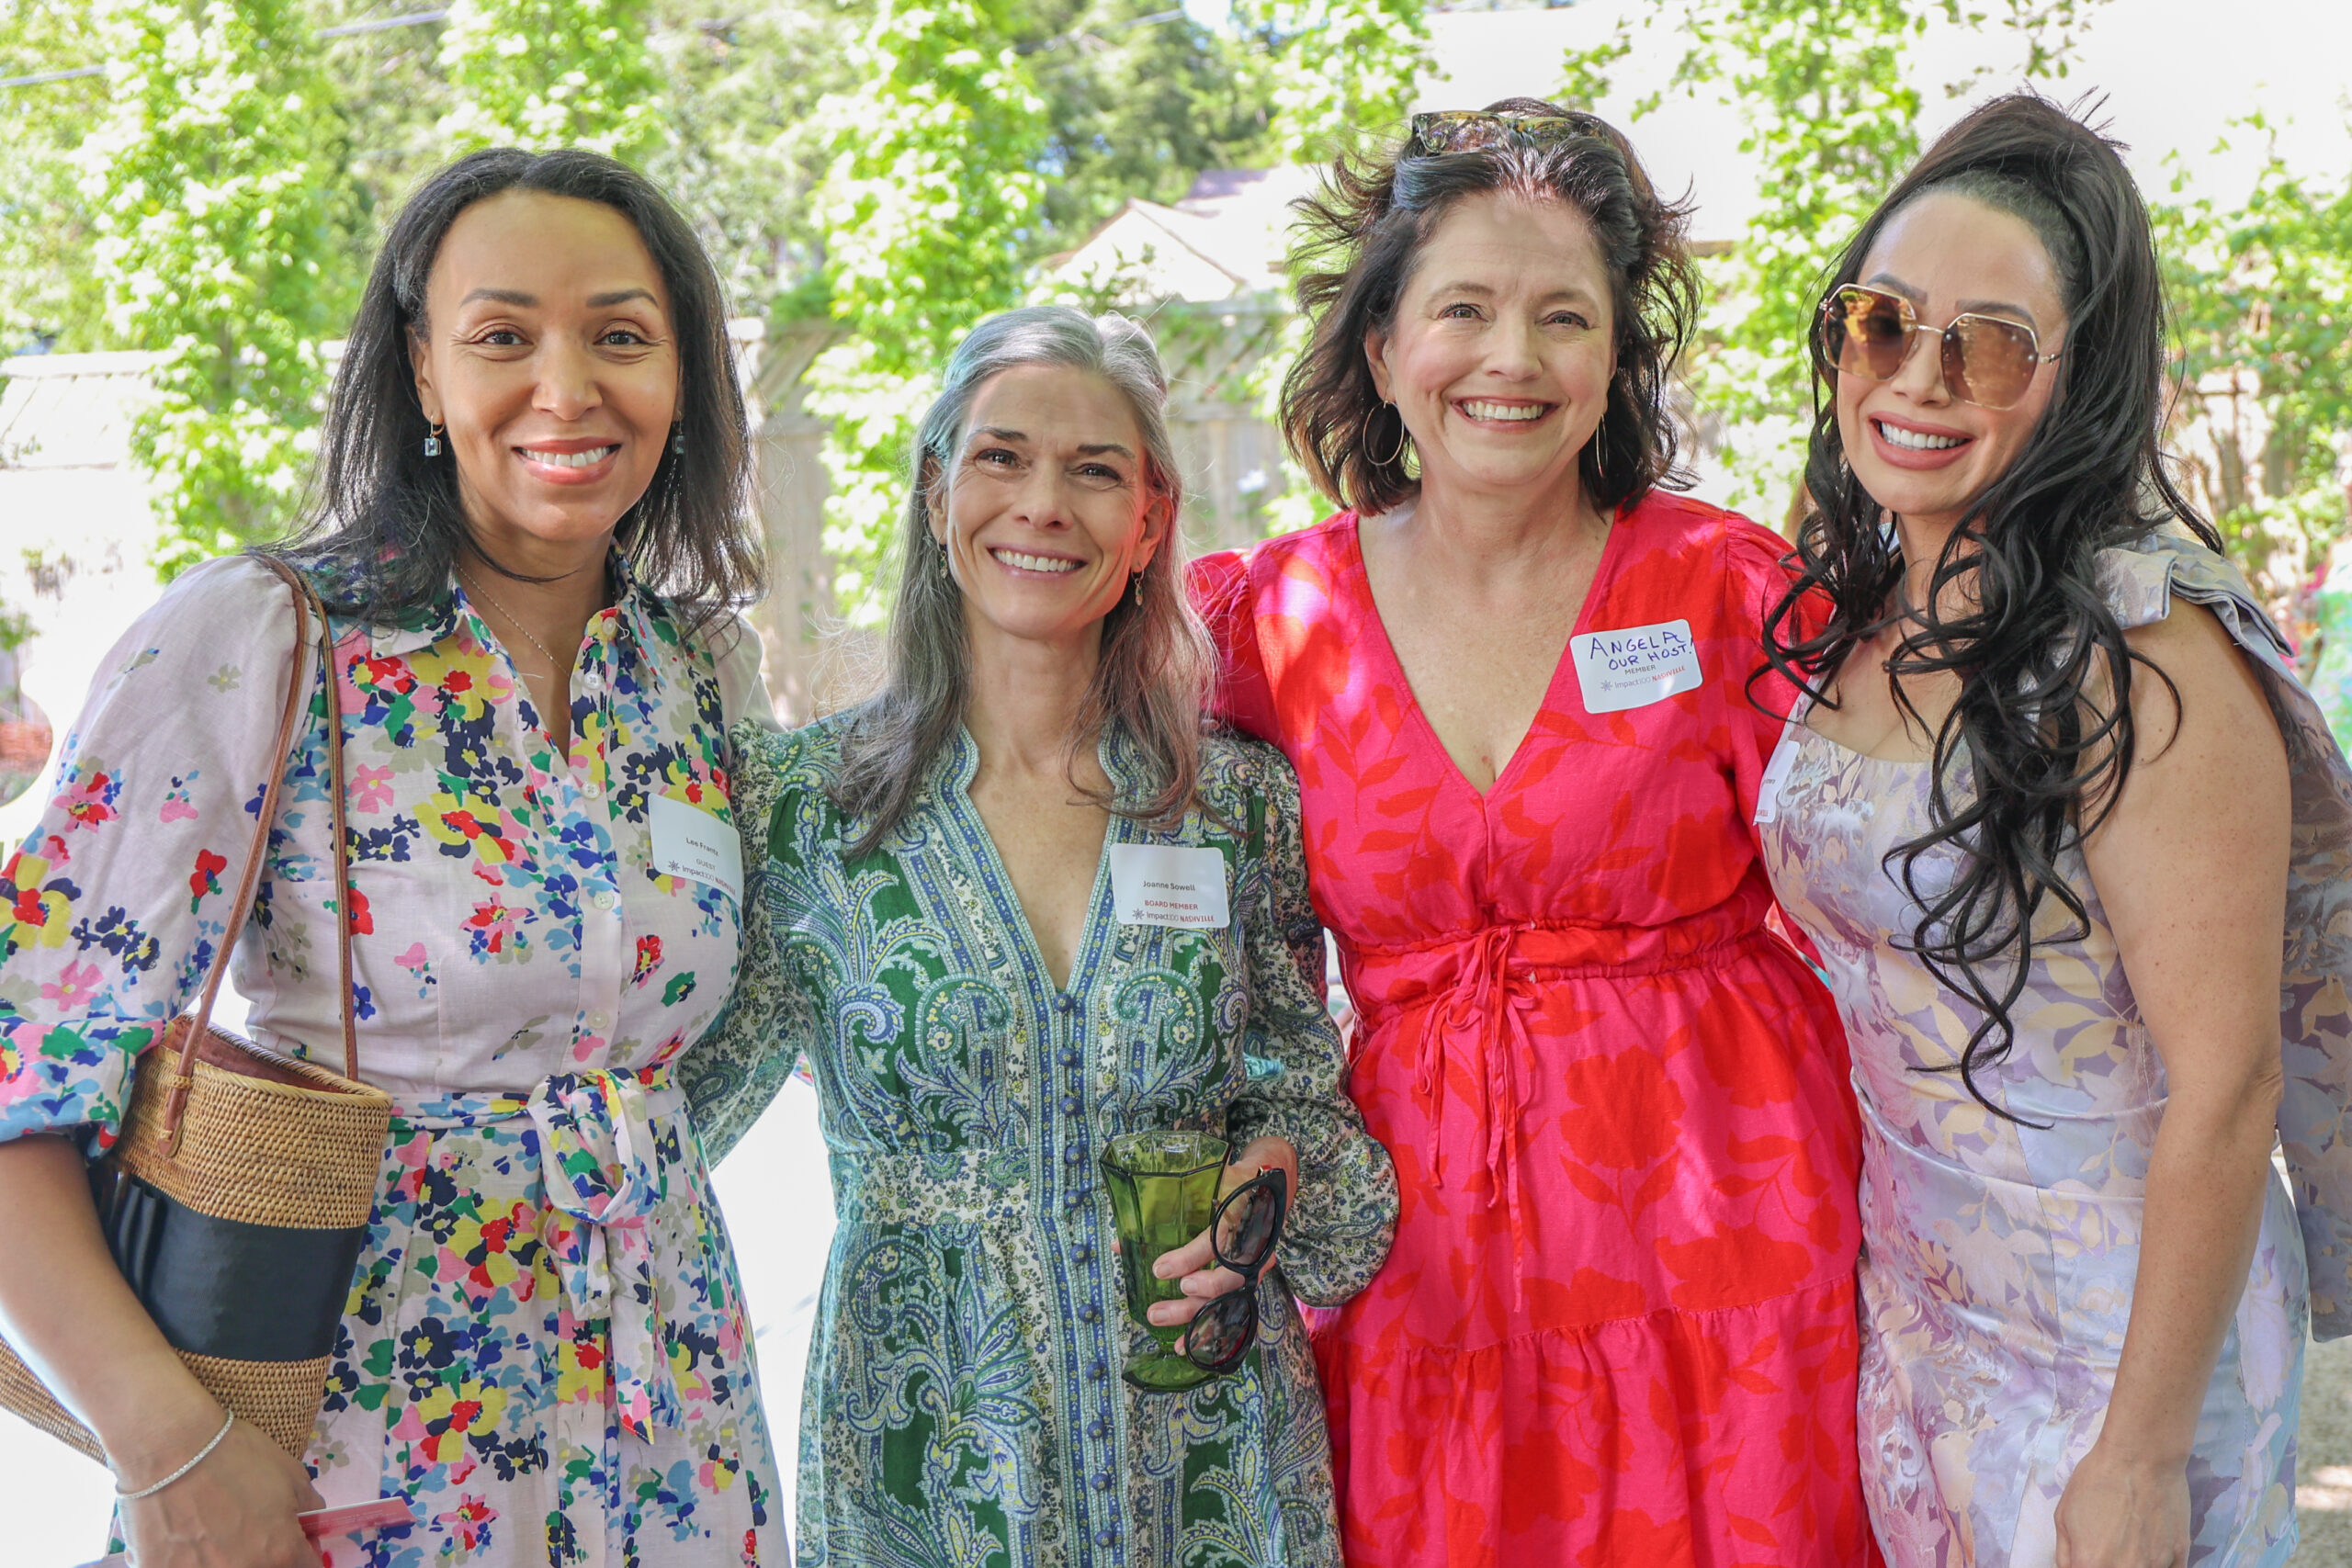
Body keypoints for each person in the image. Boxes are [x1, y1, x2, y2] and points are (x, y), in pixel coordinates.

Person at [0, 148, 786, 1565]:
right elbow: (14, 1067)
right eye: (503, 337)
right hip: (348, 1459)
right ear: (423, 376)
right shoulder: (263, 637)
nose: (568, 387)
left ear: (683, 378)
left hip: (675, 1441)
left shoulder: (696, 674)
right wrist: (167, 1448)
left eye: (622, 334)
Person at [1191, 100, 1871, 1565]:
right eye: (1465, 310)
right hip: (1427, 1260)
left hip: (1732, 1232)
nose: (1513, 358)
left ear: (1617, 358)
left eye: (1566, 317)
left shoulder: (1724, 589)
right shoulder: (1274, 623)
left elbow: (1891, 862)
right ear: (1382, 349)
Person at [683, 304, 1398, 1567]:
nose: (1044, 504)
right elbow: (665, 1124)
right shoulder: (800, 808)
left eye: (1095, 470)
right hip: (929, 1473)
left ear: (1152, 519)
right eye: (1003, 457)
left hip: (1211, 1462)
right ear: (935, 492)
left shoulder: (1234, 803)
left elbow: (1321, 1141)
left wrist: (1273, 1172)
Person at [1756, 94, 2352, 1566]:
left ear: (2079, 382)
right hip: (1919, 1302)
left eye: (1992, 342)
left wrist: (2142, 1457)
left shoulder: (2147, 653)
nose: (1920, 374)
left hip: (2121, 1341)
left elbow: (2224, 1086)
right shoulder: (1868, 610)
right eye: (1884, 320)